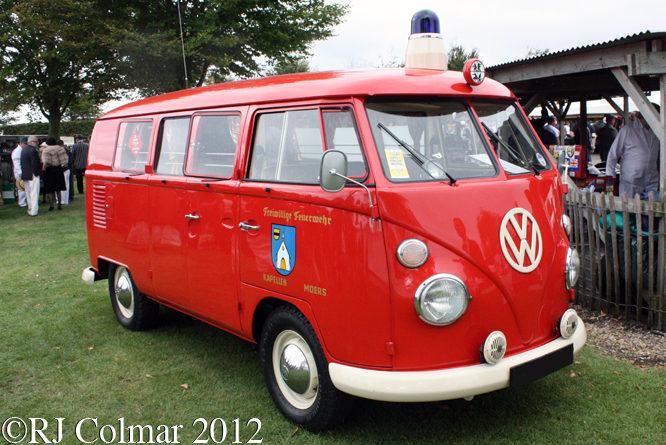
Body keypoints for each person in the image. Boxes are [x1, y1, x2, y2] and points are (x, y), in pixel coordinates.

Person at [606, 105, 661, 198]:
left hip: (651, 180)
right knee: (629, 208)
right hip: (631, 180)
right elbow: (613, 154)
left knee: (650, 210)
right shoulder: (627, 130)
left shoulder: (657, 131)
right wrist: (611, 175)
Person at [41, 137, 68, 210]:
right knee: (58, 189)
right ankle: (59, 204)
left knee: (50, 189)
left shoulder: (46, 150)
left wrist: (44, 168)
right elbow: (65, 160)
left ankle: (51, 205)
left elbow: (46, 161)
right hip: (58, 169)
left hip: (50, 170)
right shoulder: (60, 149)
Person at [21, 136, 42, 216]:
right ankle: (34, 211)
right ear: (30, 142)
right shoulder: (33, 150)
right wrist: (37, 172)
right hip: (33, 174)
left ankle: (30, 209)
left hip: (26, 174)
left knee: (28, 193)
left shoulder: (24, 150)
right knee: (34, 192)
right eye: (35, 141)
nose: (37, 143)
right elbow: (35, 164)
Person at [12, 137, 28, 207]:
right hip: (20, 172)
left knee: (24, 187)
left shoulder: (22, 150)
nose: (26, 145)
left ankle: (25, 201)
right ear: (20, 143)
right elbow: (17, 163)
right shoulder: (17, 151)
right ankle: (22, 202)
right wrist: (20, 172)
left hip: (23, 171)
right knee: (21, 187)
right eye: (25, 143)